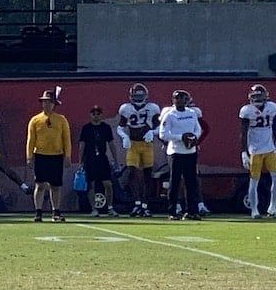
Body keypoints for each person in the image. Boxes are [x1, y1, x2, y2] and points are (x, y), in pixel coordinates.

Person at [25, 89, 71, 222]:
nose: (46, 105)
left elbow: (66, 138)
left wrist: (67, 156)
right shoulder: (35, 120)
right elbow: (30, 139)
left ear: (54, 104)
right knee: (40, 185)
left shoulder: (61, 120)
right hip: (40, 155)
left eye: (49, 102)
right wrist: (29, 156)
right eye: (44, 102)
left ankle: (56, 212)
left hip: (56, 156)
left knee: (55, 186)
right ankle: (38, 212)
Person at [157, 89, 204, 219]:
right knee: (175, 181)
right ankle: (172, 211)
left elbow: (198, 129)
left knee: (191, 181)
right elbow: (163, 134)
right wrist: (180, 137)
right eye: (176, 98)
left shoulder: (192, 113)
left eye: (182, 98)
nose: (179, 100)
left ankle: (192, 211)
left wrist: (194, 138)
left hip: (190, 151)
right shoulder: (170, 114)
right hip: (176, 152)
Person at [116, 82, 161, 216]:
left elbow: (160, 128)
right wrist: (124, 136)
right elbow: (120, 127)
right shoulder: (126, 108)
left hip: (147, 144)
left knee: (148, 175)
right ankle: (136, 203)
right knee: (131, 173)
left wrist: (152, 132)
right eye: (136, 95)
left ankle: (145, 205)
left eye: (140, 95)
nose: (138, 98)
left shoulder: (153, 108)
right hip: (133, 144)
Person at [239, 83, 276, 219]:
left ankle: (272, 207)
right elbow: (243, 133)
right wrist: (244, 152)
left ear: (266, 96)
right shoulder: (247, 110)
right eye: (255, 95)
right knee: (254, 180)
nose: (257, 98)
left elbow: (275, 127)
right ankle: (254, 210)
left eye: (259, 95)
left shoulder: (272, 107)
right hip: (255, 150)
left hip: (270, 148)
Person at [77, 105, 119, 216]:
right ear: (90, 115)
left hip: (102, 158)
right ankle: (93, 208)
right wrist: (80, 162)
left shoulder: (106, 127)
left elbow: (111, 144)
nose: (96, 116)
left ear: (101, 115)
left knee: (108, 184)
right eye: (93, 114)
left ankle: (110, 208)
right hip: (90, 159)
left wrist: (115, 160)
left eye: (98, 114)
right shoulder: (86, 128)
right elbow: (82, 145)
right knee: (91, 184)